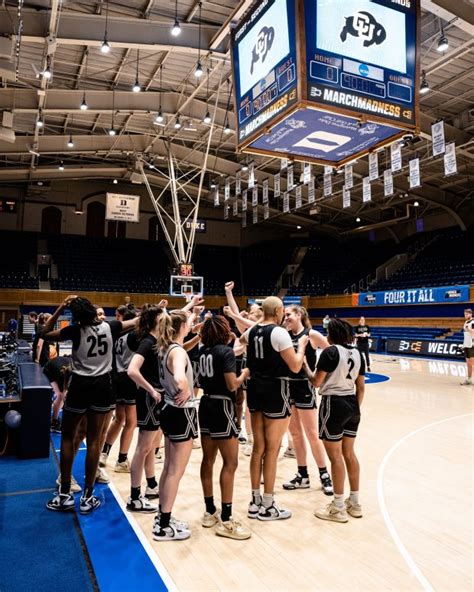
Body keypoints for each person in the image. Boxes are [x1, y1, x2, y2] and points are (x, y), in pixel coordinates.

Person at [43, 296, 137, 514]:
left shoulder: (74, 331)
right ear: (93, 313)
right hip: (103, 387)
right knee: (95, 440)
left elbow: (44, 333)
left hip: (80, 386)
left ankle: (65, 493)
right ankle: (87, 496)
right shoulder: (110, 326)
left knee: (68, 437)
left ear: (75, 316)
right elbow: (137, 322)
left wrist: (60, 307)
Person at [240, 296, 308, 521]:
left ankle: (254, 500)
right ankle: (268, 505)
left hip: (256, 389)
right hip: (276, 389)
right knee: (273, 448)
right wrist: (302, 349)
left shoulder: (252, 332)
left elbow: (241, 339)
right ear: (278, 311)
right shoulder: (279, 333)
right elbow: (296, 366)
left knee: (258, 447)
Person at [198, 316, 251, 540]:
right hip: (222, 406)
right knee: (230, 463)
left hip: (206, 404)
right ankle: (227, 519)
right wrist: (245, 373)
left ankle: (210, 511)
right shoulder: (225, 353)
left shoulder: (203, 351)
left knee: (207, 460)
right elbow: (232, 384)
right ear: (223, 331)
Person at [307, 318, 365, 523]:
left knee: (336, 458)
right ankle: (354, 502)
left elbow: (316, 382)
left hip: (333, 404)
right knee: (349, 453)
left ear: (332, 334)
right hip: (352, 405)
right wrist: (355, 409)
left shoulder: (330, 352)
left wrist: (304, 364)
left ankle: (338, 507)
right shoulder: (358, 353)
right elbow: (361, 387)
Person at [152, 310, 198, 541]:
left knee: (168, 468)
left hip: (169, 409)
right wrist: (187, 388)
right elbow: (180, 376)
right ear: (181, 328)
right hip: (181, 412)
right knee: (175, 472)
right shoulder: (177, 351)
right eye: (187, 324)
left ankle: (162, 516)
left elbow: (184, 323)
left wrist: (192, 317)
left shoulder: (165, 347)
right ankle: (164, 526)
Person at [282, 305, 333, 496]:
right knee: (295, 435)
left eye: (288, 315)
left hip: (305, 386)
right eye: (284, 314)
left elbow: (332, 353)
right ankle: (302, 475)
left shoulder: (311, 335)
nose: (285, 317)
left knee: (312, 434)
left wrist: (319, 376)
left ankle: (324, 475)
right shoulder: (284, 335)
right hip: (288, 387)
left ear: (299, 315)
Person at [126, 304, 165, 513]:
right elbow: (132, 370)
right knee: (143, 447)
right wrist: (151, 389)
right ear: (156, 320)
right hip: (150, 397)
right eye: (163, 316)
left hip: (155, 397)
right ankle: (134, 497)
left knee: (150, 446)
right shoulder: (148, 342)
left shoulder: (157, 340)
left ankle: (151, 485)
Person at [100, 306, 138, 473]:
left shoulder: (115, 334)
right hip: (128, 379)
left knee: (119, 418)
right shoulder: (134, 336)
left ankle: (104, 453)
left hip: (116, 377)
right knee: (131, 421)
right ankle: (122, 460)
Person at [461, 308, 474, 385]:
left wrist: (469, 330)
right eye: (465, 314)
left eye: (467, 314)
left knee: (472, 363)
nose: (465, 315)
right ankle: (469, 379)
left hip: (472, 345)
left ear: (471, 314)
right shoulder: (466, 322)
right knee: (468, 364)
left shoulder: (473, 322)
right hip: (466, 345)